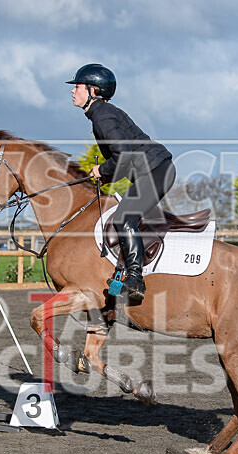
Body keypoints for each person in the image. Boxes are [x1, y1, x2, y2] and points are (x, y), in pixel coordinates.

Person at [67, 63, 176, 302]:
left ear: (93, 90)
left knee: (124, 217)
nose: (73, 90)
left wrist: (102, 169)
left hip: (155, 171)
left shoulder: (102, 116)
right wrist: (105, 176)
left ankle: (135, 279)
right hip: (154, 170)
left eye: (78, 86)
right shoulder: (102, 114)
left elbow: (124, 155)